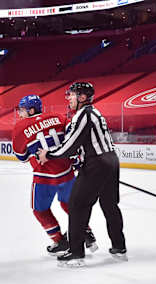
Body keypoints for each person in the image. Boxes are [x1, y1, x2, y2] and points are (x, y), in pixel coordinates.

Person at [37, 82, 126, 267]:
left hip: (97, 164)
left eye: (71, 95)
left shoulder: (83, 115)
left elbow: (69, 146)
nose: (68, 98)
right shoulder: (95, 112)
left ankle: (76, 252)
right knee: (109, 205)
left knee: (76, 204)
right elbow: (85, 144)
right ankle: (119, 245)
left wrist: (49, 154)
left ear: (82, 98)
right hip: (110, 160)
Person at [12, 95, 98, 257]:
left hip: (44, 176)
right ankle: (86, 232)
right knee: (70, 204)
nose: (20, 114)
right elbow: (73, 138)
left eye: (22, 110)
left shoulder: (19, 127)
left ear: (31, 110)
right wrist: (76, 158)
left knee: (40, 210)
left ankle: (59, 241)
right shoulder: (57, 117)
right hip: (66, 171)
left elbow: (22, 157)